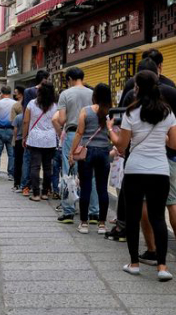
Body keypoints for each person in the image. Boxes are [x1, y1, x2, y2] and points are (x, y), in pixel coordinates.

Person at [118, 57, 176, 264]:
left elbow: (123, 139)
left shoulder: (131, 102)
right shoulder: (171, 95)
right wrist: (163, 136)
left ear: (137, 82)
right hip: (163, 162)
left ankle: (151, 250)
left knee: (143, 206)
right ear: (159, 70)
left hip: (137, 164)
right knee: (172, 202)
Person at [110, 70, 176, 282]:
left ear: (137, 88)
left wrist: (110, 131)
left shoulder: (131, 113)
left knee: (133, 217)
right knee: (158, 218)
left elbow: (122, 146)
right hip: (159, 170)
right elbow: (175, 144)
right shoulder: (167, 112)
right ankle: (162, 267)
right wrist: (161, 138)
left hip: (135, 170)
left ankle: (134, 264)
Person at [68, 83, 113, 235]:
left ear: (94, 95)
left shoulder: (86, 111)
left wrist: (72, 152)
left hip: (87, 152)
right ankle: (102, 224)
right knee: (102, 189)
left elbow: (79, 133)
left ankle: (84, 223)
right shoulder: (110, 112)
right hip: (104, 152)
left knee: (86, 187)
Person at [56, 67, 98, 223]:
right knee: (91, 174)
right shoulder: (92, 93)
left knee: (69, 172)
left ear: (69, 79)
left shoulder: (65, 94)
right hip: (90, 136)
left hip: (73, 134)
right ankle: (94, 213)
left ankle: (68, 212)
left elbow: (61, 120)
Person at [23, 81, 58, 201]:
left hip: (35, 139)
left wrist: (24, 136)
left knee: (35, 166)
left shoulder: (32, 103)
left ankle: (36, 194)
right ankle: (45, 193)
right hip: (50, 139)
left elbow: (26, 121)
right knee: (48, 167)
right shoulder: (55, 106)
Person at [0, 85, 16, 180]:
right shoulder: (15, 103)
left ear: (1, 93)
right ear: (10, 92)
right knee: (11, 153)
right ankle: (11, 174)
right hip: (11, 130)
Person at [11, 86, 25, 191]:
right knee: (28, 162)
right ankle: (26, 184)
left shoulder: (16, 108)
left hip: (19, 140)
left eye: (16, 92)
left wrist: (15, 139)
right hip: (30, 140)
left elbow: (14, 127)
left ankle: (17, 183)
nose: (15, 94)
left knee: (18, 162)